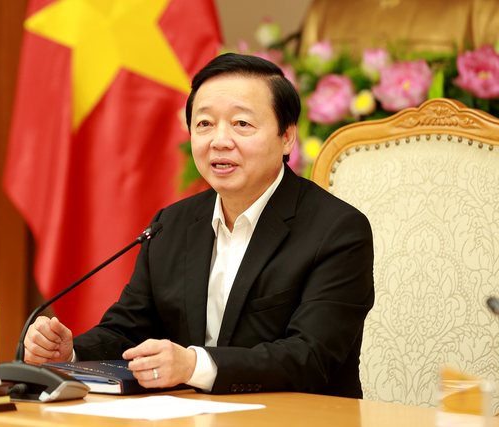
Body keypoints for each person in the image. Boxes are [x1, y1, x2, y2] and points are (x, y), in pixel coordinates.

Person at [24, 53, 374, 398]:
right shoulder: (171, 224)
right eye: (205, 124)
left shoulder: (337, 231)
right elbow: (129, 329)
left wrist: (194, 366)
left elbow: (310, 357)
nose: (219, 141)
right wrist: (71, 353)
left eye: (242, 124)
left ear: (287, 137)